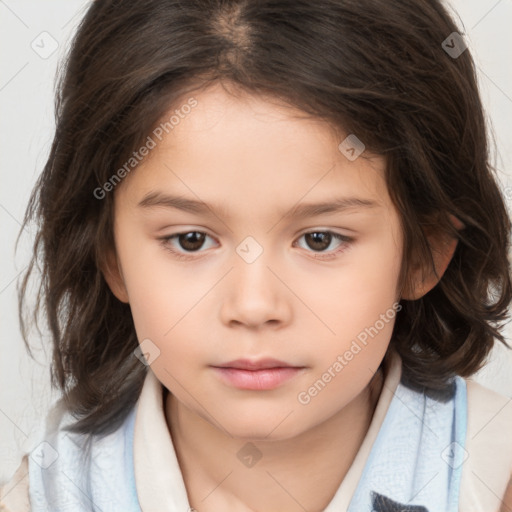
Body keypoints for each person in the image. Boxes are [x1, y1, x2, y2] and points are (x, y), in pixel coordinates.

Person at [1, 0, 512, 510]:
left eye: (320, 239)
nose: (252, 305)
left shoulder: (492, 477)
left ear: (425, 253)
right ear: (110, 255)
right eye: (190, 240)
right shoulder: (45, 496)